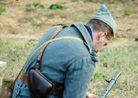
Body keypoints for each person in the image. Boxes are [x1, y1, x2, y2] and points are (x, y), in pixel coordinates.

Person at [12, 4, 117, 98]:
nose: (98, 50)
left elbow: (51, 72)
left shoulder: (57, 30)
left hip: (18, 92)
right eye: (104, 44)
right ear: (102, 35)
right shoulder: (84, 58)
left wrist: (82, 93)